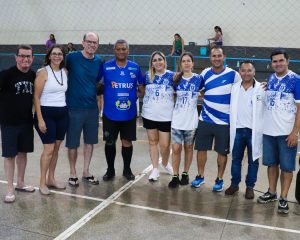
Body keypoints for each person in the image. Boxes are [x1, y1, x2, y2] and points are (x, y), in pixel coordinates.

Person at [191, 46, 242, 191]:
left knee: (222, 152)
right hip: (205, 119)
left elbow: (246, 85)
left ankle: (219, 179)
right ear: (210, 58)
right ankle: (200, 176)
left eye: (219, 56)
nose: (217, 58)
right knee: (201, 149)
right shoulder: (205, 72)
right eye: (214, 56)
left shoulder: (234, 74)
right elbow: (198, 89)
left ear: (224, 57)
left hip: (224, 122)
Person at [257, 50, 300, 214]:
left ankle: (283, 198)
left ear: (288, 61)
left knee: (287, 168)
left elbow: (299, 108)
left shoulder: (296, 80)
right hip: (269, 131)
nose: (278, 63)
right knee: (271, 164)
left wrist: (295, 132)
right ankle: (272, 192)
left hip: (286, 132)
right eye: (275, 61)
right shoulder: (272, 78)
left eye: (281, 60)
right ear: (271, 63)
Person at [99, 39, 143, 181]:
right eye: (118, 49)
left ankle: (127, 169)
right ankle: (110, 170)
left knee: (127, 142)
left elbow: (141, 87)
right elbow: (95, 83)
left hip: (128, 114)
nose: (121, 51)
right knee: (110, 142)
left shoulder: (135, 67)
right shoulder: (106, 67)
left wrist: (135, 96)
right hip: (110, 113)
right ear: (114, 51)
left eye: (124, 49)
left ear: (128, 50)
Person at [65, 32, 103, 186]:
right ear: (83, 42)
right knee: (73, 143)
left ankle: (86, 171)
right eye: (89, 42)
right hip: (74, 108)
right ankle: (72, 172)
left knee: (90, 142)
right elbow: (58, 69)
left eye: (95, 43)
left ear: (97, 45)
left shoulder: (99, 61)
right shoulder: (72, 58)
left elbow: (100, 84)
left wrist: (101, 103)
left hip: (92, 108)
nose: (92, 45)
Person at [0, 45, 36, 203]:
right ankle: (9, 188)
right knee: (9, 156)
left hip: (26, 122)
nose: (25, 59)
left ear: (32, 59)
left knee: (23, 153)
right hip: (9, 123)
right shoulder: (6, 75)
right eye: (22, 56)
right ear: (16, 57)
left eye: (28, 56)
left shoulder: (33, 76)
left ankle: (20, 182)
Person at [225, 61, 264, 199]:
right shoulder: (234, 88)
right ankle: (234, 184)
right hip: (238, 130)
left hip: (254, 131)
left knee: (253, 161)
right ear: (239, 72)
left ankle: (250, 187)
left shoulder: (262, 88)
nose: (246, 73)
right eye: (243, 70)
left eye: (249, 70)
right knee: (236, 159)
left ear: (254, 72)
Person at [33, 45, 68, 195]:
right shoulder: (43, 72)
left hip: (62, 113)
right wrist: (40, 119)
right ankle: (42, 183)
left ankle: (51, 179)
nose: (57, 56)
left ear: (62, 56)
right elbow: (36, 96)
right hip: (46, 113)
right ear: (49, 56)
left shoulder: (65, 72)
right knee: (48, 149)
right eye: (54, 53)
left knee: (56, 148)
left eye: (60, 54)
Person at [168, 52, 203, 188]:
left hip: (191, 121)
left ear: (193, 63)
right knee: (176, 149)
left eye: (189, 61)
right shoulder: (175, 79)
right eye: (184, 61)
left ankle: (185, 173)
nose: (186, 63)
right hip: (177, 120)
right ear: (180, 64)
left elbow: (205, 94)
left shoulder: (199, 79)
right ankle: (175, 175)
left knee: (188, 148)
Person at [141, 51, 174, 182]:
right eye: (155, 60)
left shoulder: (172, 76)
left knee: (165, 145)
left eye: (160, 59)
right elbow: (142, 91)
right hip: (149, 114)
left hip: (166, 116)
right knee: (153, 142)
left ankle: (165, 163)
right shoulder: (147, 76)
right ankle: (155, 169)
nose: (158, 62)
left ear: (164, 61)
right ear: (152, 63)